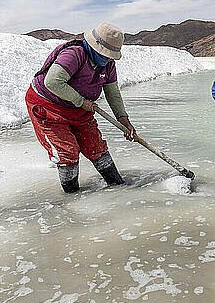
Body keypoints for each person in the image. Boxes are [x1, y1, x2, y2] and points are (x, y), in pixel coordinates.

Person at [25, 22, 136, 193]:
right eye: (105, 55)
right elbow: (52, 82)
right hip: (49, 107)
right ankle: (72, 196)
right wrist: (81, 102)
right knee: (67, 152)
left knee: (96, 146)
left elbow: (112, 92)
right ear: (95, 46)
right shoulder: (74, 54)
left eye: (110, 56)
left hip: (80, 108)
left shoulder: (108, 63)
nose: (108, 58)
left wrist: (123, 119)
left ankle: (118, 187)